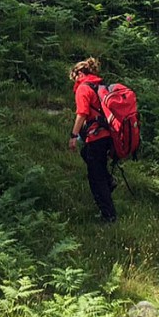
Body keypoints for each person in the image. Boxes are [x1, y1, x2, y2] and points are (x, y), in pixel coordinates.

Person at [67, 57, 117, 223]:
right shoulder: (100, 85)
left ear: (80, 73)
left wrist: (73, 136)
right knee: (87, 154)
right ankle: (109, 181)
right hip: (107, 135)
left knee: (96, 178)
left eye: (74, 77)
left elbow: (82, 113)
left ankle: (108, 216)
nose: (74, 81)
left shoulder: (83, 88)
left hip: (96, 136)